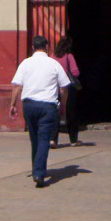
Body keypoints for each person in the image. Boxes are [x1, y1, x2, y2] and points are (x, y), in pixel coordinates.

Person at [9, 35, 70, 188]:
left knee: (34, 138)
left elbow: (16, 86)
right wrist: (62, 104)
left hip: (29, 105)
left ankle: (36, 167)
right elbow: (64, 88)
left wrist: (12, 104)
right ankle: (39, 173)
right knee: (44, 139)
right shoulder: (54, 64)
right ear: (47, 47)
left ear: (32, 48)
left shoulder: (25, 63)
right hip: (47, 106)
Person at [51, 36, 82, 147]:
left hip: (54, 88)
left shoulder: (52, 57)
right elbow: (75, 73)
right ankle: (73, 140)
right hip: (68, 88)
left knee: (55, 114)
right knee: (71, 114)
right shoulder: (69, 56)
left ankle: (53, 140)